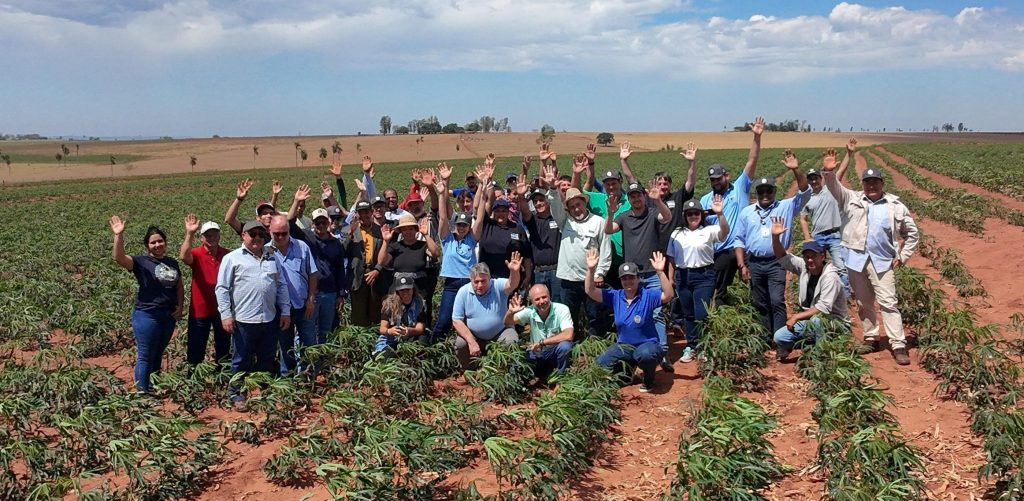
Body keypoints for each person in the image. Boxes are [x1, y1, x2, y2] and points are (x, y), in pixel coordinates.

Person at [821, 153, 919, 365]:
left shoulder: (895, 205)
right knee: (864, 302)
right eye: (867, 182)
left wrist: (902, 256)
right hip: (856, 260)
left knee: (888, 303)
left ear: (882, 183)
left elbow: (912, 234)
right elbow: (833, 187)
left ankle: (898, 344)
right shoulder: (851, 199)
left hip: (883, 261)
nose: (871, 186)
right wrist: (828, 172)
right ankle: (871, 337)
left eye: (875, 182)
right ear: (862, 184)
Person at [734, 150, 811, 337]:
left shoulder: (785, 206)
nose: (765, 194)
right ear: (757, 193)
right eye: (761, 191)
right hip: (754, 262)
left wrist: (796, 170)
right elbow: (739, 239)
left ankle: (780, 337)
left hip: (777, 261)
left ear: (774, 192)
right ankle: (765, 337)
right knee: (760, 301)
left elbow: (805, 192)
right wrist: (742, 264)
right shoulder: (747, 212)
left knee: (776, 299)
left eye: (769, 190)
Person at [216, 220, 290, 407]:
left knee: (266, 357)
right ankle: (235, 392)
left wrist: (285, 311)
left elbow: (280, 285)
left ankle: (262, 390)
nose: (257, 238)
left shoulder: (271, 256)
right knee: (241, 358)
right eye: (252, 234)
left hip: (269, 317)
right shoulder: (232, 258)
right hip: (244, 319)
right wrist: (225, 314)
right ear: (244, 236)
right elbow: (222, 288)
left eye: (260, 234)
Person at [109, 217, 183, 393]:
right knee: (145, 354)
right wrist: (119, 235)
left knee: (158, 352)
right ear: (147, 245)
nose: (157, 245)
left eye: (160, 241)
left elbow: (179, 285)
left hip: (168, 315)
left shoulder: (172, 262)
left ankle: (153, 386)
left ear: (165, 243)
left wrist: (180, 307)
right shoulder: (140, 262)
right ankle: (142, 392)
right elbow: (118, 258)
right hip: (147, 315)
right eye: (153, 242)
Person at [605, 180, 673, 371]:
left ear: (644, 196)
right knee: (633, 314)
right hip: (631, 277)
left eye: (639, 195)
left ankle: (663, 353)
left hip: (652, 273)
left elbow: (667, 217)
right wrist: (610, 213)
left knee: (657, 313)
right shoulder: (623, 216)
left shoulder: (652, 213)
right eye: (632, 196)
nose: (636, 198)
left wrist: (658, 200)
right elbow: (608, 230)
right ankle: (634, 354)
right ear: (629, 198)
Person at [586, 250, 674, 393]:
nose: (628, 281)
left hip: (647, 345)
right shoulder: (615, 296)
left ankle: (648, 379)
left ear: (638, 278)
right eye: (624, 278)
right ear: (620, 281)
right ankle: (628, 373)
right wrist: (591, 270)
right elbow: (590, 291)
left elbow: (669, 295)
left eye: (631, 277)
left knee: (646, 355)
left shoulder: (648, 295)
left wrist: (660, 272)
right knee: (600, 364)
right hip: (625, 347)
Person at [701, 116, 765, 300]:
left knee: (753, 287)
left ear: (726, 176)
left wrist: (757, 137)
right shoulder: (706, 200)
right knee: (719, 291)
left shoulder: (740, 188)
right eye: (712, 180)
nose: (716, 182)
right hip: (720, 253)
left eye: (719, 178)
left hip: (744, 247)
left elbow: (752, 160)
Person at [769, 217, 849, 361]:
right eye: (807, 257)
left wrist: (796, 316)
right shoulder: (804, 267)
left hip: (834, 322)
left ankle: (822, 356)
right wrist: (775, 237)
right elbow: (782, 256)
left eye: (814, 256)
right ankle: (811, 344)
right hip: (812, 321)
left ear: (822, 256)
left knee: (818, 321)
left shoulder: (830, 276)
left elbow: (823, 308)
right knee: (779, 337)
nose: (810, 260)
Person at [666, 196, 728, 363]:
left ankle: (704, 346)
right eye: (689, 213)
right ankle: (692, 346)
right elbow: (671, 257)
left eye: (696, 213)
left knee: (702, 313)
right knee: (688, 313)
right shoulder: (676, 233)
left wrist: (720, 214)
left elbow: (724, 233)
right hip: (683, 276)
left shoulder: (709, 230)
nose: (693, 216)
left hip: (704, 275)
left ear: (701, 214)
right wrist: (671, 277)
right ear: (685, 216)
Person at [549, 186, 612, 340]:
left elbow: (605, 251)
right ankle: (572, 347)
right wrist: (552, 188)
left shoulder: (599, 222)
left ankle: (595, 346)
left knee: (594, 316)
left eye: (578, 205)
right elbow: (554, 205)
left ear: (584, 203)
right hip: (568, 280)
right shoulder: (565, 222)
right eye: (572, 207)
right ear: (568, 210)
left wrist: (600, 273)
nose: (576, 209)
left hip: (590, 280)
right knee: (569, 317)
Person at [429, 174, 487, 343]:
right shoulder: (447, 239)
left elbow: (481, 217)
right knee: (444, 321)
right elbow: (443, 217)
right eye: (459, 225)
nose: (462, 228)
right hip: (452, 285)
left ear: (469, 227)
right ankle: (434, 348)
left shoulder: (471, 238)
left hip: (471, 284)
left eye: (465, 225)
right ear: (455, 226)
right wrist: (442, 194)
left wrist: (483, 186)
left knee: (471, 321)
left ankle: (472, 348)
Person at [800, 140, 857, 294]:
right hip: (817, 236)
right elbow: (803, 218)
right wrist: (808, 237)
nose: (813, 181)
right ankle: (819, 295)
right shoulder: (807, 197)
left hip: (834, 235)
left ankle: (843, 298)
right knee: (815, 268)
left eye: (816, 178)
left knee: (841, 267)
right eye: (810, 179)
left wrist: (849, 154)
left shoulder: (830, 189)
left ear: (821, 178)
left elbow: (842, 170)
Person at [267, 214, 319, 375]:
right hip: (280, 309)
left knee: (309, 342)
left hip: (303, 305)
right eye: (277, 234)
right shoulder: (265, 251)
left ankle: (309, 374)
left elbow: (313, 274)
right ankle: (287, 377)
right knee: (285, 345)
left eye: (284, 233)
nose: (281, 237)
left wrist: (311, 299)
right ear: (270, 231)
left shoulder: (301, 246)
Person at [452, 255, 523, 371]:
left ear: (489, 278)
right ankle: (469, 372)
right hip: (474, 334)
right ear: (471, 280)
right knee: (461, 344)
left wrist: (514, 272)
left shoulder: (497, 285)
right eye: (476, 282)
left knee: (511, 341)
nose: (479, 285)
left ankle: (505, 373)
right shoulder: (463, 292)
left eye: (483, 281)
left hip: (501, 331)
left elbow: (511, 284)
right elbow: (456, 321)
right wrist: (471, 341)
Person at [179, 214, 231, 366]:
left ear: (219, 236)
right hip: (200, 309)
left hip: (222, 309)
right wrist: (189, 233)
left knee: (224, 346)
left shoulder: (226, 254)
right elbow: (183, 256)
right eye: (207, 235)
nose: (212, 237)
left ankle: (223, 373)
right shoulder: (196, 253)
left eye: (215, 234)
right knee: (196, 347)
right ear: (201, 238)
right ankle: (194, 375)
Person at [505, 284, 574, 382]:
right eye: (537, 299)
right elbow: (507, 322)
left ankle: (561, 378)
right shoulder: (530, 310)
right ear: (532, 301)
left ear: (549, 295)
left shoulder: (561, 309)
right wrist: (510, 312)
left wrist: (542, 343)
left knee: (565, 347)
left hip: (554, 351)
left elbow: (568, 334)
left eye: (544, 297)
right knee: (516, 364)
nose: (541, 301)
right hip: (537, 353)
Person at [339, 200, 385, 327]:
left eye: (366, 212)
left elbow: (385, 252)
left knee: (376, 314)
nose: (364, 215)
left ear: (371, 212)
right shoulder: (347, 230)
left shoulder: (380, 230)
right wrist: (350, 234)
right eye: (361, 212)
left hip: (375, 276)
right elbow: (342, 252)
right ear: (357, 214)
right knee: (358, 317)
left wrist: (377, 269)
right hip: (356, 277)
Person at [516, 181, 561, 300]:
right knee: (539, 305)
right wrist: (521, 196)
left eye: (541, 200)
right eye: (535, 201)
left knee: (557, 304)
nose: (538, 203)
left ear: (548, 201)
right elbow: (525, 212)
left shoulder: (558, 218)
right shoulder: (533, 220)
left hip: (556, 271)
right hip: (538, 272)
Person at [378, 213, 439, 296]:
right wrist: (386, 241)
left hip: (419, 287)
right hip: (399, 287)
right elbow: (381, 261)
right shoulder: (395, 246)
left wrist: (426, 235)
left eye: (411, 229)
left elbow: (435, 253)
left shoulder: (423, 245)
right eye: (405, 229)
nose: (408, 232)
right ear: (401, 232)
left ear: (415, 230)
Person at [374, 277, 427, 356]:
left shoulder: (419, 303)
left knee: (423, 340)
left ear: (413, 289)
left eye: (408, 289)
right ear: (397, 291)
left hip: (410, 337)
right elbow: (382, 328)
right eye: (402, 290)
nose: (405, 292)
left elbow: (420, 328)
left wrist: (408, 331)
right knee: (385, 357)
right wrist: (390, 331)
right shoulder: (389, 304)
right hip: (390, 340)